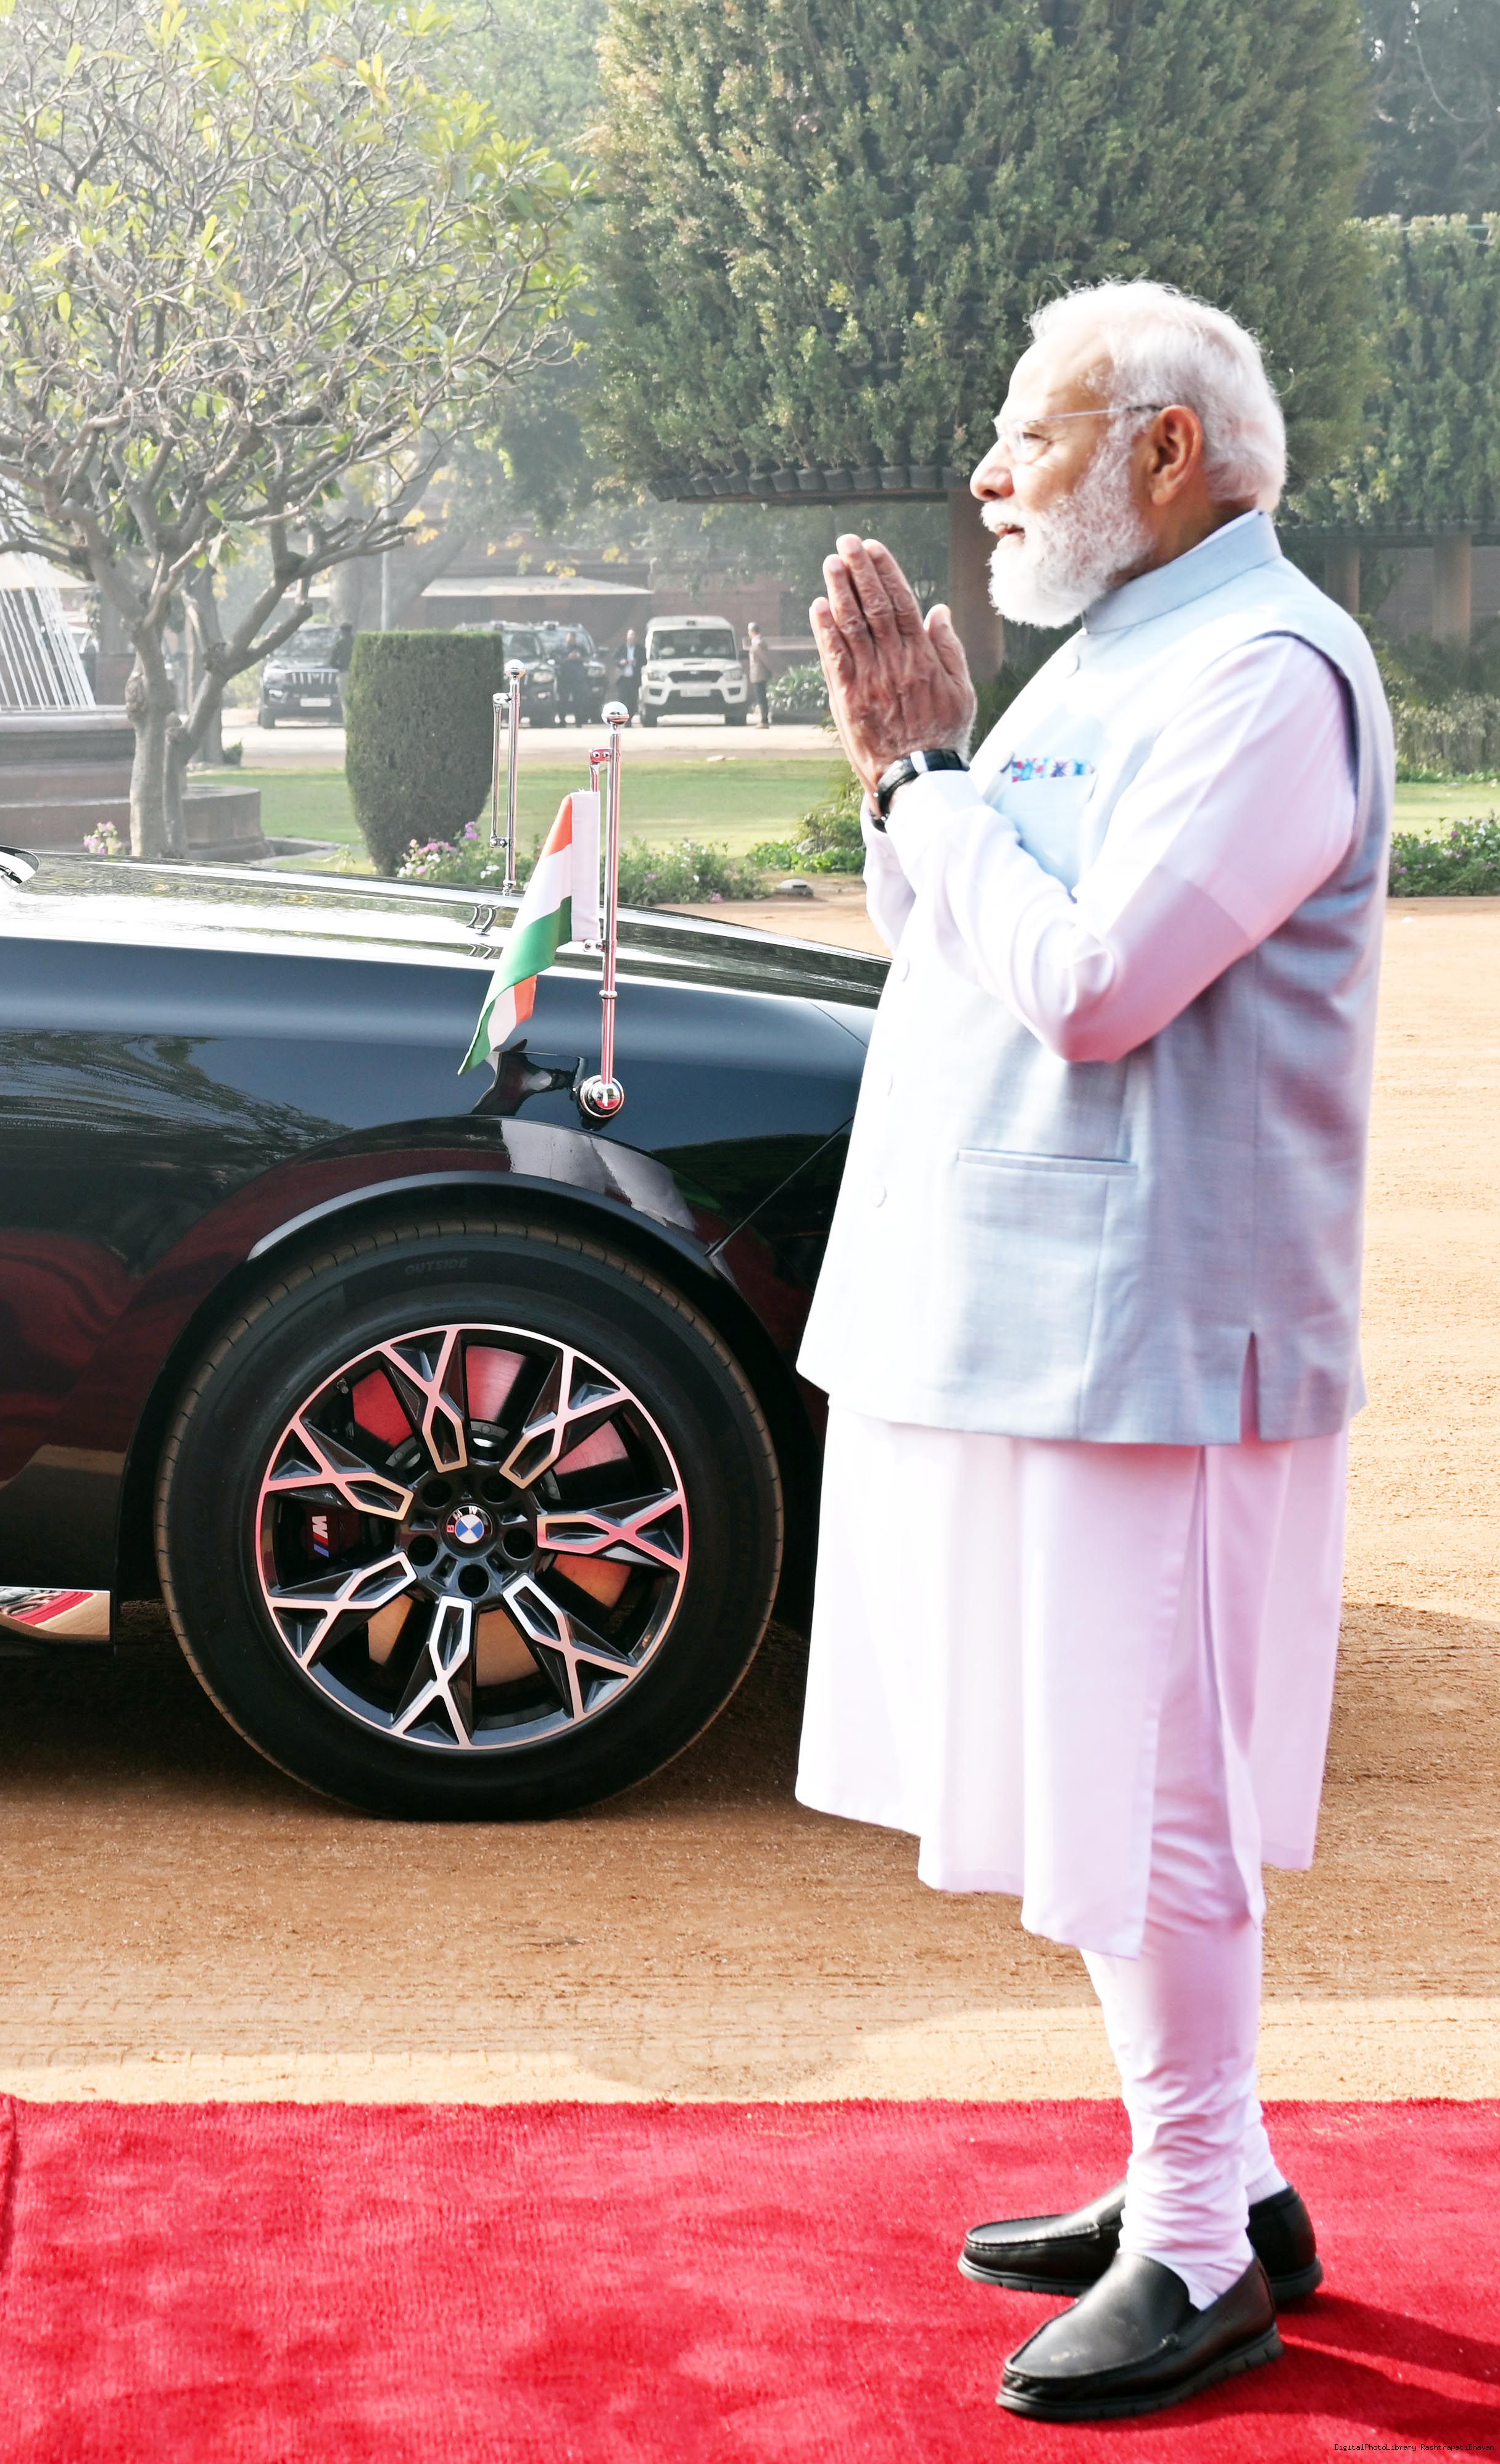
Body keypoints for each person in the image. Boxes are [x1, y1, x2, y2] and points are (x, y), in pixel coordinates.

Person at [798, 283, 1390, 2423]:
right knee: (1096, 1776)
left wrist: (925, 780)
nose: (986, 473)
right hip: (1042, 1321)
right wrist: (927, 786)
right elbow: (939, 915)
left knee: (1152, 1793)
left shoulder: (1264, 674)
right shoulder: (1124, 650)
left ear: (1165, 453)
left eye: (1029, 434)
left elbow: (1099, 982)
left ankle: (1204, 2242)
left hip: (1155, 1332)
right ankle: (1205, 2170)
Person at [744, 620, 770, 724]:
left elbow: (764, 659)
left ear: (752, 631)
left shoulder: (758, 643)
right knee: (760, 697)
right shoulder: (756, 642)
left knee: (761, 697)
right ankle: (764, 719)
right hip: (758, 674)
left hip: (760, 674)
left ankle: (764, 720)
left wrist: (769, 670)